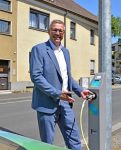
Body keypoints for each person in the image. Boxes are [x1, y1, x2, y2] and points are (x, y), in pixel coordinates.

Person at [29, 19, 92, 150]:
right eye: (55, 30)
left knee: (74, 139)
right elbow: (36, 76)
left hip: (65, 103)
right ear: (49, 31)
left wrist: (80, 90)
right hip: (46, 104)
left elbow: (67, 77)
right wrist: (57, 93)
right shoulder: (39, 49)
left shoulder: (65, 52)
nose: (58, 33)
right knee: (47, 144)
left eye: (61, 31)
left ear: (64, 33)